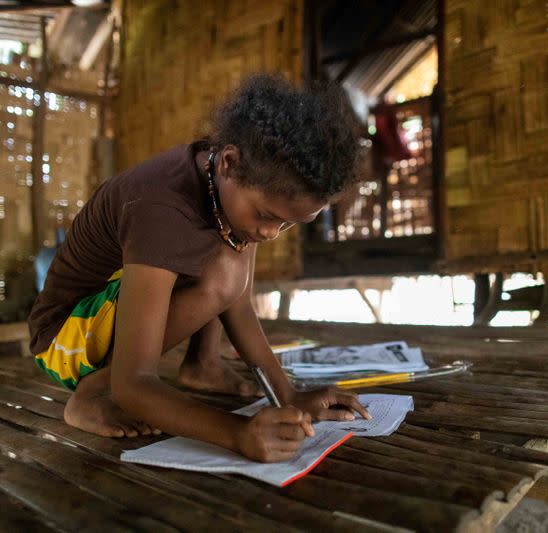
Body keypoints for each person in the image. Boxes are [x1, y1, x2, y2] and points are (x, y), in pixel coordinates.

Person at [27, 74, 371, 463]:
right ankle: (90, 395)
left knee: (227, 256)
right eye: (266, 216)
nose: (271, 233)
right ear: (228, 162)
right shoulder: (161, 206)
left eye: (289, 224)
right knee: (221, 270)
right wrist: (239, 434)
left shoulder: (230, 177)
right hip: (63, 337)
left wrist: (287, 394)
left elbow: (238, 304)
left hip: (107, 318)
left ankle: (203, 364)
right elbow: (134, 383)